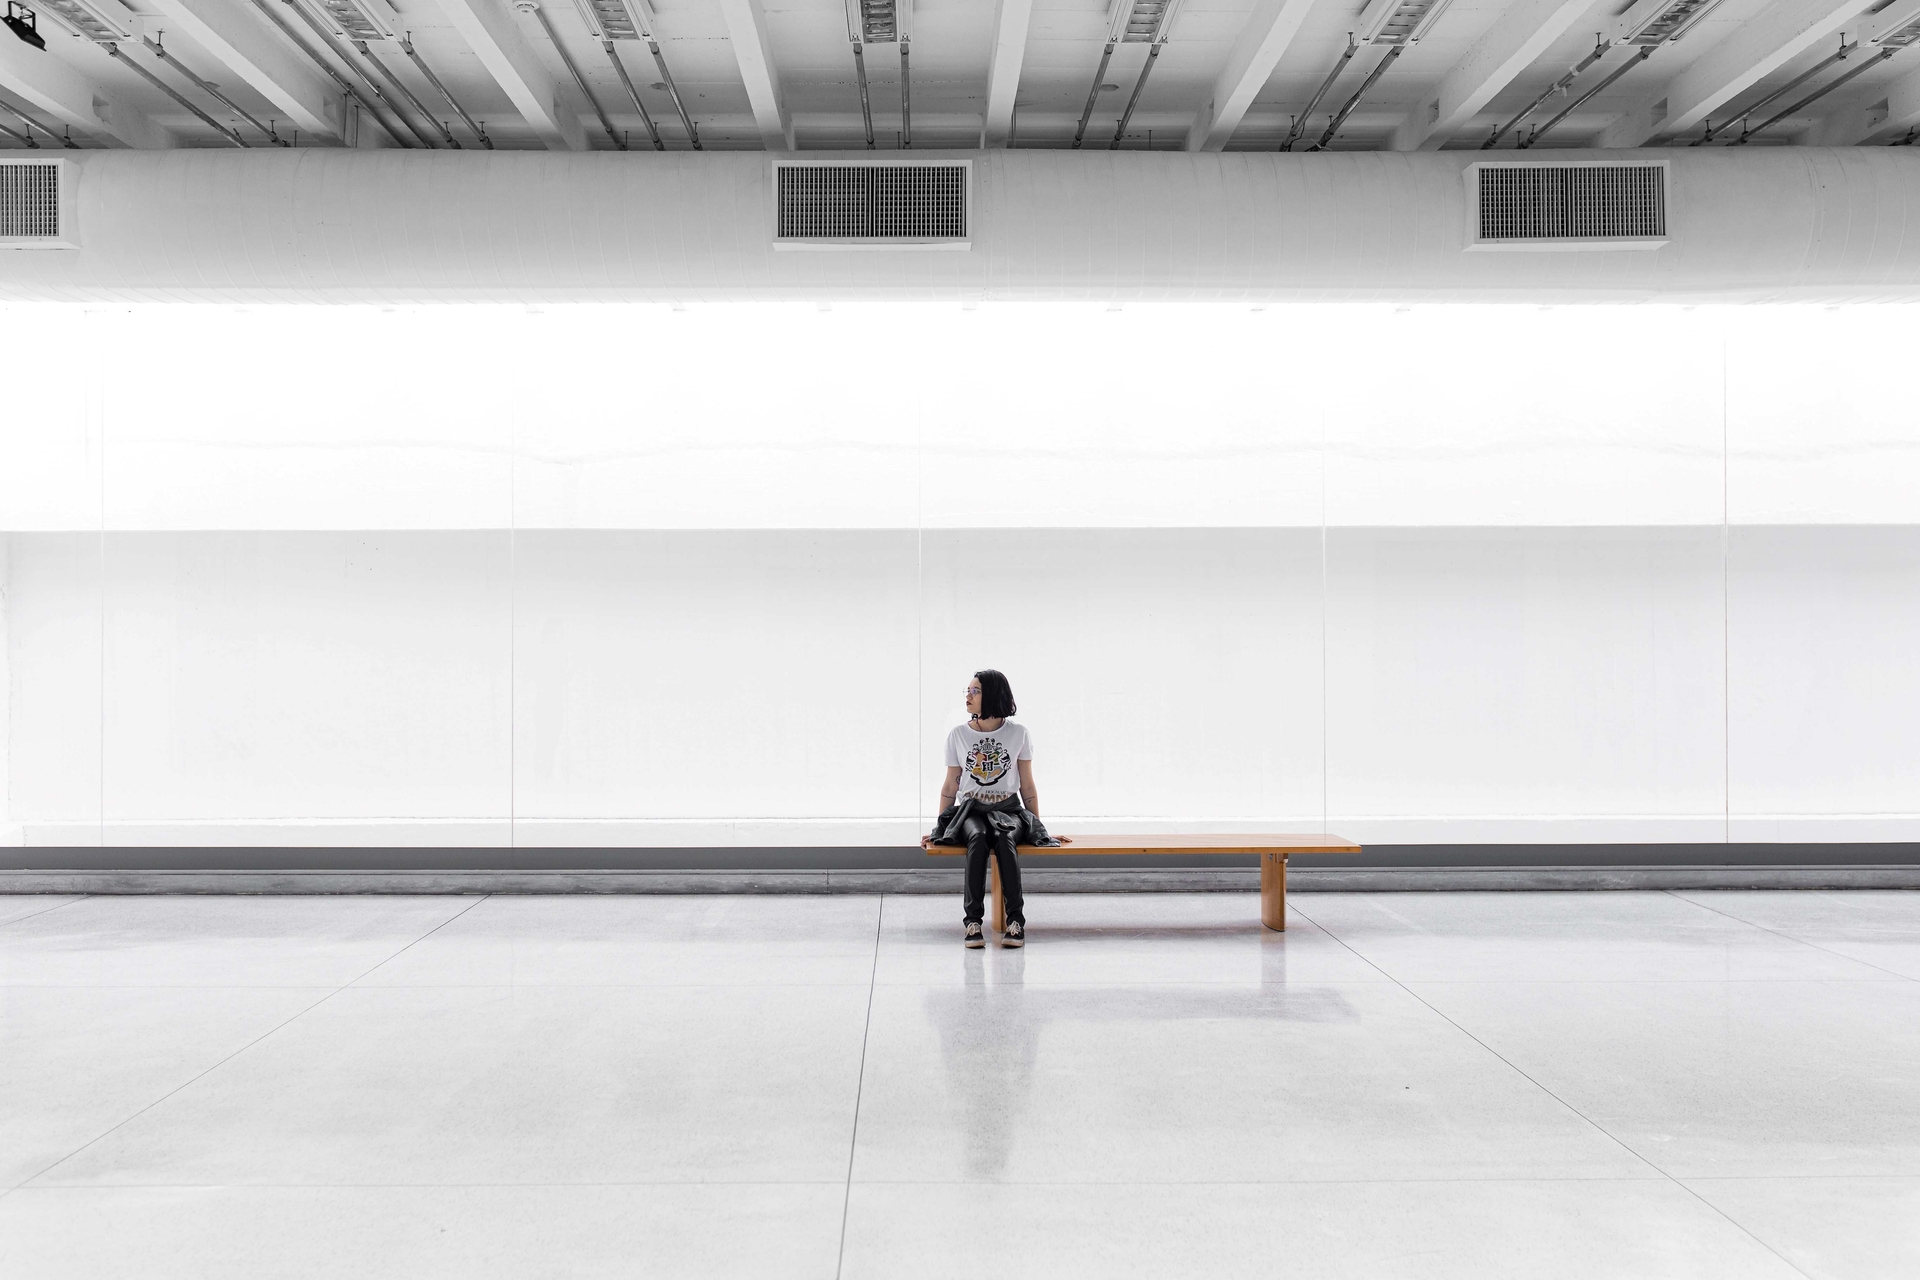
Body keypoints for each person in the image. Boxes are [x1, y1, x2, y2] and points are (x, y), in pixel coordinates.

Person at [920, 669, 1064, 948]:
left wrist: (1038, 828)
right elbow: (951, 785)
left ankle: (1016, 922)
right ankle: (973, 923)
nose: (968, 697)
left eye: (975, 691)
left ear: (993, 695)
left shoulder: (1019, 733)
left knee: (1004, 836)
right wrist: (940, 828)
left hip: (1009, 810)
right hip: (971, 812)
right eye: (968, 691)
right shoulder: (958, 735)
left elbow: (1027, 786)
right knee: (977, 837)